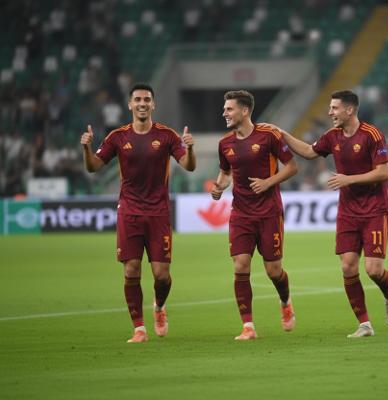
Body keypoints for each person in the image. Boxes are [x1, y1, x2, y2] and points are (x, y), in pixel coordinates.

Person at [276, 90, 388, 338]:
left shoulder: (372, 135)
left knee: (374, 270)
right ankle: (364, 324)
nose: (330, 112)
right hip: (348, 211)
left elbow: (384, 172)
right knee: (348, 266)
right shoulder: (332, 136)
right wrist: (283, 134)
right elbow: (309, 151)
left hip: (374, 209)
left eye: (334, 108)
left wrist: (348, 179)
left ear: (349, 110)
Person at [81, 83, 196, 343]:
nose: (142, 103)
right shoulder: (117, 137)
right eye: (138, 99)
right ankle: (139, 329)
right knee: (131, 271)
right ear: (130, 104)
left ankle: (159, 307)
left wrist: (190, 148)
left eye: (146, 99)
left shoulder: (167, 135)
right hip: (129, 211)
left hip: (158, 213)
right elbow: (93, 167)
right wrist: (87, 148)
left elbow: (188, 166)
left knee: (161, 275)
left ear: (153, 104)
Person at [211, 90, 298, 341]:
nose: (224, 113)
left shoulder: (269, 136)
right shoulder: (225, 143)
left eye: (229, 109)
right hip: (241, 213)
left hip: (269, 212)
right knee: (240, 265)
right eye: (224, 109)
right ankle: (248, 326)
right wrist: (219, 186)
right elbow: (226, 173)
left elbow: (292, 167)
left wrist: (268, 182)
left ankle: (285, 301)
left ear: (245, 110)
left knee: (273, 270)